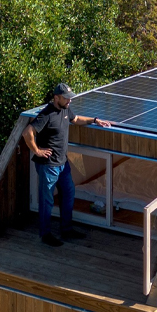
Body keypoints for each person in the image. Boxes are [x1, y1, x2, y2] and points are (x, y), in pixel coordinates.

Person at [22, 83, 113, 247]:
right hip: (48, 166)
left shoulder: (65, 110)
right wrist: (37, 151)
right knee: (47, 201)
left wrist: (95, 120)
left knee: (69, 193)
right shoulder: (46, 114)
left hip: (63, 164)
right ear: (56, 97)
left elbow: (76, 119)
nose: (69, 101)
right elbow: (27, 132)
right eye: (66, 98)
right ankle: (46, 234)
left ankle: (66, 229)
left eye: (70, 98)